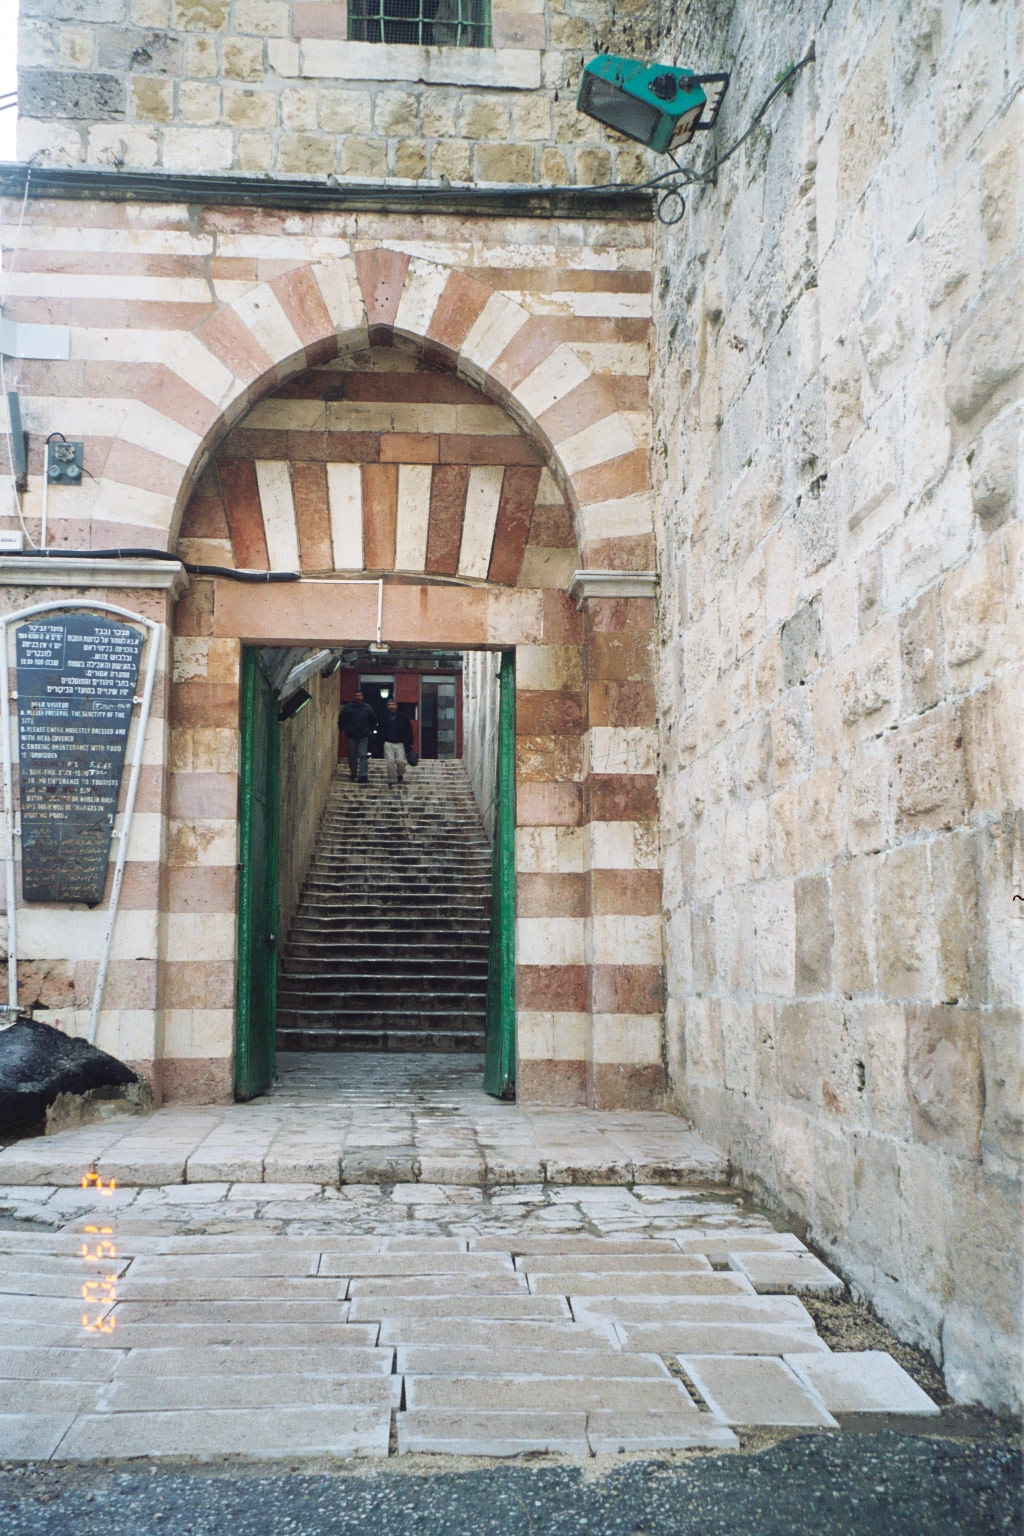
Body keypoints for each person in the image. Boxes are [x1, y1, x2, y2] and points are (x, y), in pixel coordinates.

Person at [338, 690, 377, 784]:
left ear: (362, 696)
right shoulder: (348, 707)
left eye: (359, 695)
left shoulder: (367, 708)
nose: (358, 697)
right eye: (356, 695)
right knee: (352, 755)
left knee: (363, 755)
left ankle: (363, 775)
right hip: (350, 735)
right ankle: (353, 772)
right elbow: (341, 718)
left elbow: (373, 719)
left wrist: (371, 730)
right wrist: (342, 728)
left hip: (363, 735)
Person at [380, 698, 415, 787]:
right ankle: (391, 778)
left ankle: (400, 774)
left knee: (401, 762)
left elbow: (409, 729)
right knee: (390, 762)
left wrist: (410, 742)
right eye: (389, 705)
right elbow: (380, 729)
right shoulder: (384, 717)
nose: (391, 706)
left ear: (396, 706)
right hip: (388, 743)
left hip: (400, 743)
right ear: (387, 707)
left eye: (393, 704)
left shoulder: (403, 716)